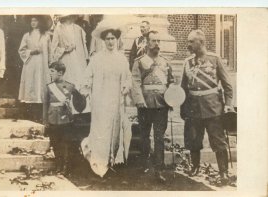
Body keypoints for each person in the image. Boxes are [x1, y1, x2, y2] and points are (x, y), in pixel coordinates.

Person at [180, 29, 234, 184]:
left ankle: (223, 172)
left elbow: (228, 86)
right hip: (193, 108)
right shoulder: (187, 62)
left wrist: (228, 106)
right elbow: (183, 88)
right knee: (193, 139)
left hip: (213, 108)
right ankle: (195, 167)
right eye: (188, 41)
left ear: (201, 42)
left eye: (191, 41)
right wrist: (182, 108)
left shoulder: (215, 59)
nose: (188, 44)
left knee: (218, 140)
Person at [80, 21, 132, 178]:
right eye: (108, 39)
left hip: (115, 100)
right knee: (101, 130)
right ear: (103, 40)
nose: (110, 42)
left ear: (117, 40)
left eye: (113, 39)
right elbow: (87, 76)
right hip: (100, 100)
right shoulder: (97, 59)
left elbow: (128, 78)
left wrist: (126, 86)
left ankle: (112, 160)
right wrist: (86, 87)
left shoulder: (122, 59)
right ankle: (98, 162)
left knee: (114, 130)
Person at [131, 30, 174, 182]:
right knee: (144, 136)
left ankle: (159, 169)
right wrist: (139, 100)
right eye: (154, 41)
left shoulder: (165, 62)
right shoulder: (140, 61)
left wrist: (172, 98)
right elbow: (135, 82)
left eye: (158, 41)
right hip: (145, 104)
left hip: (161, 105)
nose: (157, 44)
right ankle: (144, 164)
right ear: (147, 43)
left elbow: (170, 83)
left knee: (159, 138)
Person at [43, 61, 86, 175]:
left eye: (52, 72)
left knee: (65, 144)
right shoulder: (48, 87)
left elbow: (80, 102)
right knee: (55, 143)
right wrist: (45, 121)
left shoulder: (70, 86)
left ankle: (65, 167)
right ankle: (58, 165)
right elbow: (45, 105)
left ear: (60, 73)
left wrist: (81, 100)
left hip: (65, 119)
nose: (50, 74)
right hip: (52, 119)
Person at [18, 15, 52, 122]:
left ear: (40, 22)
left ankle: (42, 117)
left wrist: (50, 64)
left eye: (36, 20)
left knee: (41, 87)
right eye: (31, 21)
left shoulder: (46, 36)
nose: (33, 23)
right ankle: (31, 116)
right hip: (31, 64)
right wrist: (32, 52)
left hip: (42, 65)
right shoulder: (27, 35)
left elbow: (50, 52)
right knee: (31, 86)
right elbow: (21, 50)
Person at [50, 15, 89, 89]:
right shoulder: (58, 29)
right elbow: (53, 49)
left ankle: (77, 98)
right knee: (66, 80)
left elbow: (83, 48)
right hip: (65, 59)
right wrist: (64, 49)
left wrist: (84, 60)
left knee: (78, 81)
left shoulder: (78, 29)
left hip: (77, 59)